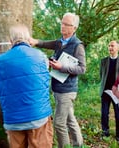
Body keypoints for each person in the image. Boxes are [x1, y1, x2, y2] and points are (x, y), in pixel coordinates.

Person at [0, 24, 53, 148]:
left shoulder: (0, 61)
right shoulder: (41, 57)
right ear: (29, 39)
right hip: (39, 116)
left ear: (11, 40)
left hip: (13, 119)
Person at [29, 12, 86, 148]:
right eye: (62, 23)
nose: (63, 26)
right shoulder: (60, 42)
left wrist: (62, 67)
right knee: (70, 119)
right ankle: (79, 144)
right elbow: (45, 43)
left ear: (74, 28)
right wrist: (35, 42)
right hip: (57, 87)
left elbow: (82, 69)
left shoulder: (77, 45)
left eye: (67, 24)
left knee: (59, 123)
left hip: (67, 91)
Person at [99, 40, 119, 144]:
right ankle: (105, 132)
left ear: (118, 48)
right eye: (109, 46)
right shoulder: (103, 61)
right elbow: (102, 75)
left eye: (112, 46)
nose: (110, 48)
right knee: (104, 113)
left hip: (117, 92)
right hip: (105, 91)